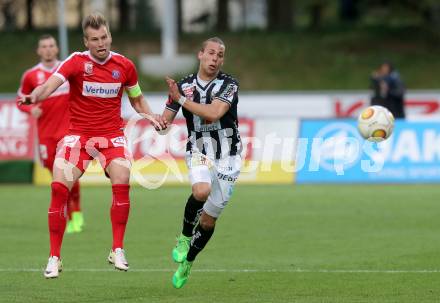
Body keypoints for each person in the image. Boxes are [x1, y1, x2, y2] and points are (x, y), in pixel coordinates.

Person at [19, 13, 167, 279]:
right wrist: (33, 97)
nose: (102, 43)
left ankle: (117, 249)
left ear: (110, 36)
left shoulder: (124, 66)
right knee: (58, 185)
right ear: (86, 41)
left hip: (111, 136)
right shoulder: (75, 62)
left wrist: (151, 116)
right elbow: (49, 85)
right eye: (95, 39)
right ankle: (54, 257)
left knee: (122, 176)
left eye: (105, 37)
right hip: (79, 136)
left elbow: (137, 99)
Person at [163, 37, 242, 289]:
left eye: (220, 55)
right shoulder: (184, 85)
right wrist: (157, 120)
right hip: (199, 149)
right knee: (201, 190)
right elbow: (165, 120)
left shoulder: (229, 84)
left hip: (228, 156)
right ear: (200, 55)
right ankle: (184, 237)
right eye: (210, 53)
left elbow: (214, 113)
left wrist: (181, 100)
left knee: (208, 221)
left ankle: (188, 261)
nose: (215, 58)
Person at [16, 34, 84, 234]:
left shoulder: (67, 69)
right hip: (45, 134)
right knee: (55, 176)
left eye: (51, 45)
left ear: (56, 49)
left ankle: (76, 215)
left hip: (68, 132)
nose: (47, 49)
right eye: (43, 46)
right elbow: (21, 100)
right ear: (38, 51)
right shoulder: (31, 76)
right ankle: (68, 213)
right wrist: (31, 110)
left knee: (68, 172)